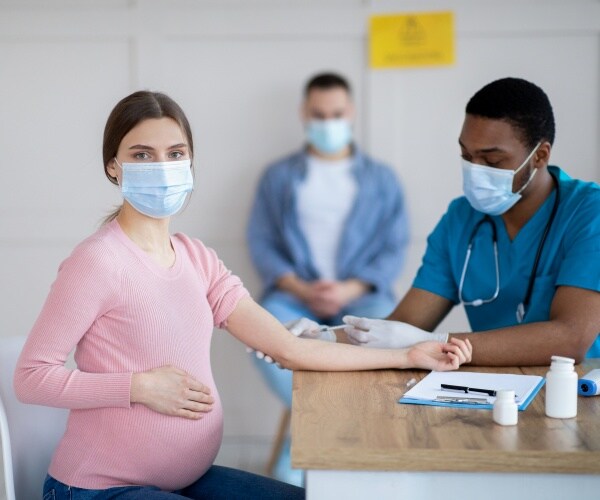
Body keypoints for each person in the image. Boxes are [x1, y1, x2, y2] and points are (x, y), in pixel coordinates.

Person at [14, 90, 471, 500]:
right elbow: (31, 377)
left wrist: (410, 354)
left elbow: (289, 349)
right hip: (97, 489)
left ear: (190, 163)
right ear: (114, 166)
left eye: (175, 153)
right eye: (142, 154)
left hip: (185, 479)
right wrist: (139, 387)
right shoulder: (96, 262)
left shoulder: (197, 258)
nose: (162, 167)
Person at [337, 77, 600, 365]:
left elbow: (571, 338)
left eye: (492, 161)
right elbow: (399, 326)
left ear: (540, 155)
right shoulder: (460, 220)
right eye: (466, 155)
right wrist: (317, 337)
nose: (476, 170)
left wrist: (435, 342)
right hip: (489, 390)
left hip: (579, 391)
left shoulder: (588, 214)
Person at [246, 72, 408, 484]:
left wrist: (348, 289)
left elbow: (394, 246)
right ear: (304, 113)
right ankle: (321, 427)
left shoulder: (382, 179)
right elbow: (261, 242)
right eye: (318, 114)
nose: (327, 122)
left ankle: (316, 432)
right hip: (294, 295)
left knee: (390, 333)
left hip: (362, 296)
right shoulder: (278, 177)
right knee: (260, 332)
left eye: (336, 113)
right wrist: (302, 289)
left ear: (350, 112)